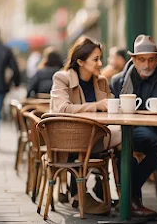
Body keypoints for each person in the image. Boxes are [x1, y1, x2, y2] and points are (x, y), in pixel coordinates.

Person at [50, 36, 120, 210]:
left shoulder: (102, 81)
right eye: (95, 59)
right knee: (123, 138)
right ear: (80, 61)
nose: (100, 63)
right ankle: (81, 191)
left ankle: (124, 194)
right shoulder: (62, 78)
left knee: (129, 138)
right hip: (69, 139)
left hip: (97, 136)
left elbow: (110, 107)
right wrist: (96, 106)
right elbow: (62, 109)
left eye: (100, 58)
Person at [110, 35, 157, 220]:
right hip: (123, 132)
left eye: (151, 59)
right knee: (124, 149)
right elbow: (112, 110)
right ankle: (132, 200)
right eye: (142, 60)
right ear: (133, 60)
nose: (146, 65)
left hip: (153, 132)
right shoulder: (118, 81)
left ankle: (128, 195)